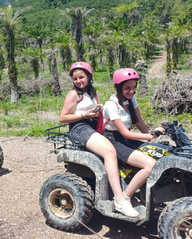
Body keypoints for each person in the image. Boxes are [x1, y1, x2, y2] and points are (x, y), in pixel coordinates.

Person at [59, 61, 140, 218]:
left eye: (81, 77)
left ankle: (125, 186)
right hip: (79, 129)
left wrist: (99, 110)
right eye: (75, 79)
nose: (78, 81)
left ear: (89, 77)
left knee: (117, 146)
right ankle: (119, 200)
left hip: (92, 125)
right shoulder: (73, 94)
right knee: (110, 152)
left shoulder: (92, 91)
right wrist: (84, 115)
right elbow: (62, 118)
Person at [102, 68, 164, 207]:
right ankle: (124, 198)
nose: (131, 91)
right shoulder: (111, 105)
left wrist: (151, 140)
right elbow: (125, 133)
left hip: (126, 138)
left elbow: (139, 121)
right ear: (118, 87)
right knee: (150, 165)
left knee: (159, 154)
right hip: (114, 139)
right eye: (127, 88)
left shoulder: (131, 98)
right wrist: (150, 135)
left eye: (134, 87)